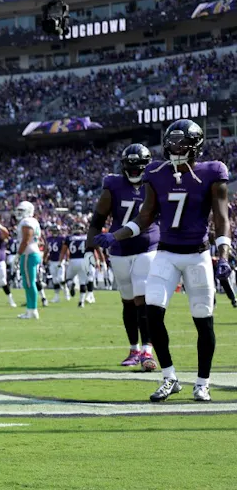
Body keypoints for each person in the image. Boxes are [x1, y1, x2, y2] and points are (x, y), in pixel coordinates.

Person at [96, 119, 230, 402]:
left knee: (203, 321)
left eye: (181, 141)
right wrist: (117, 235)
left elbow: (221, 217)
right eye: (171, 140)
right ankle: (169, 377)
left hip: (198, 254)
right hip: (166, 253)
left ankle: (202, 382)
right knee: (153, 314)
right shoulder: (156, 173)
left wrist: (224, 253)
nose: (174, 146)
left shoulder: (212, 172)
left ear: (195, 145)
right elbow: (145, 217)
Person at [87, 144, 158, 371]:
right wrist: (90, 249)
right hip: (119, 250)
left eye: (139, 168)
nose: (135, 172)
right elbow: (97, 221)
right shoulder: (113, 186)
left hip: (147, 246)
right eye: (131, 167)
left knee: (142, 297)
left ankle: (147, 350)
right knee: (128, 301)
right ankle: (134, 348)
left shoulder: (155, 184)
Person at [15, 201, 42, 319]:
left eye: (21, 211)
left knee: (29, 283)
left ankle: (33, 310)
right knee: (28, 283)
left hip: (28, 254)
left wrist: (18, 255)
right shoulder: (33, 221)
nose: (19, 213)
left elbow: (26, 240)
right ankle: (30, 309)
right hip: (32, 252)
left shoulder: (27, 222)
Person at [62, 226, 92, 308]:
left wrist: (60, 261)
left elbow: (63, 251)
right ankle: (81, 302)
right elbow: (92, 249)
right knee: (83, 282)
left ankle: (71, 284)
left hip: (72, 261)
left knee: (68, 279)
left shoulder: (69, 238)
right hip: (83, 260)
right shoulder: (86, 237)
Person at [44, 225, 68, 303]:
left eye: (55, 230)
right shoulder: (49, 239)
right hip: (52, 260)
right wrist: (44, 258)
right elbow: (47, 249)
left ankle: (65, 290)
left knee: (60, 278)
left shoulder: (62, 239)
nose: (54, 232)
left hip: (60, 260)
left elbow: (65, 249)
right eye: (53, 230)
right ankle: (56, 296)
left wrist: (67, 258)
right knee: (54, 279)